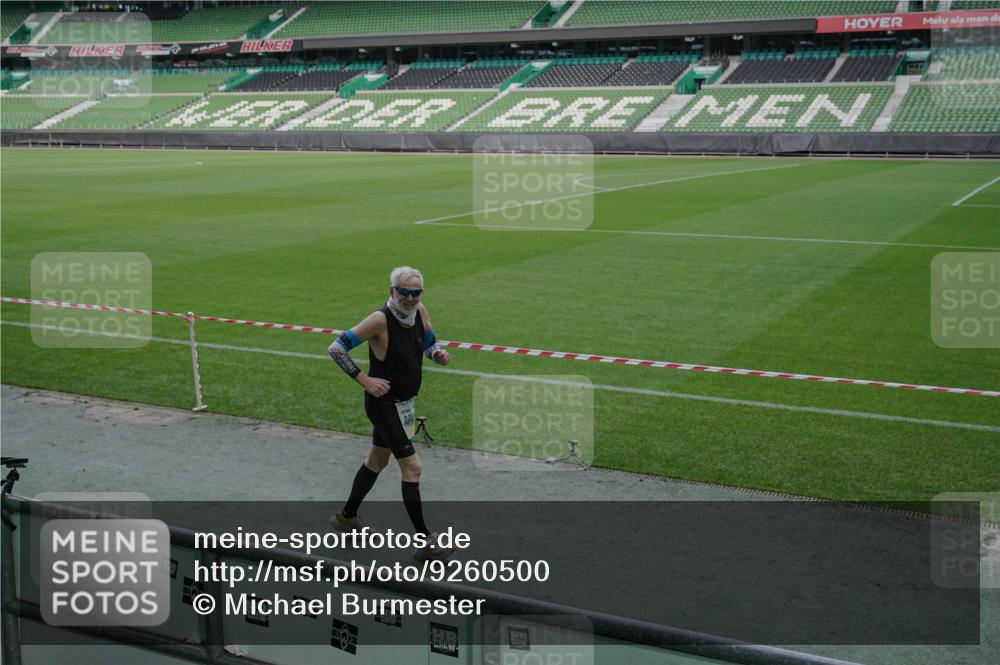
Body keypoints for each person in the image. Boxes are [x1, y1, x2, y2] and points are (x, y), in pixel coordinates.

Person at [327, 266, 453, 561]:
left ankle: (347, 517)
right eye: (404, 292)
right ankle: (427, 542)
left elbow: (429, 342)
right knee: (413, 468)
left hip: (403, 405)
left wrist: (438, 354)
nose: (410, 298)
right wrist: (364, 379)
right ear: (392, 291)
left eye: (416, 292)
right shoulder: (379, 320)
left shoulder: (420, 312)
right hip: (384, 406)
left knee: (376, 460)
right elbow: (336, 348)